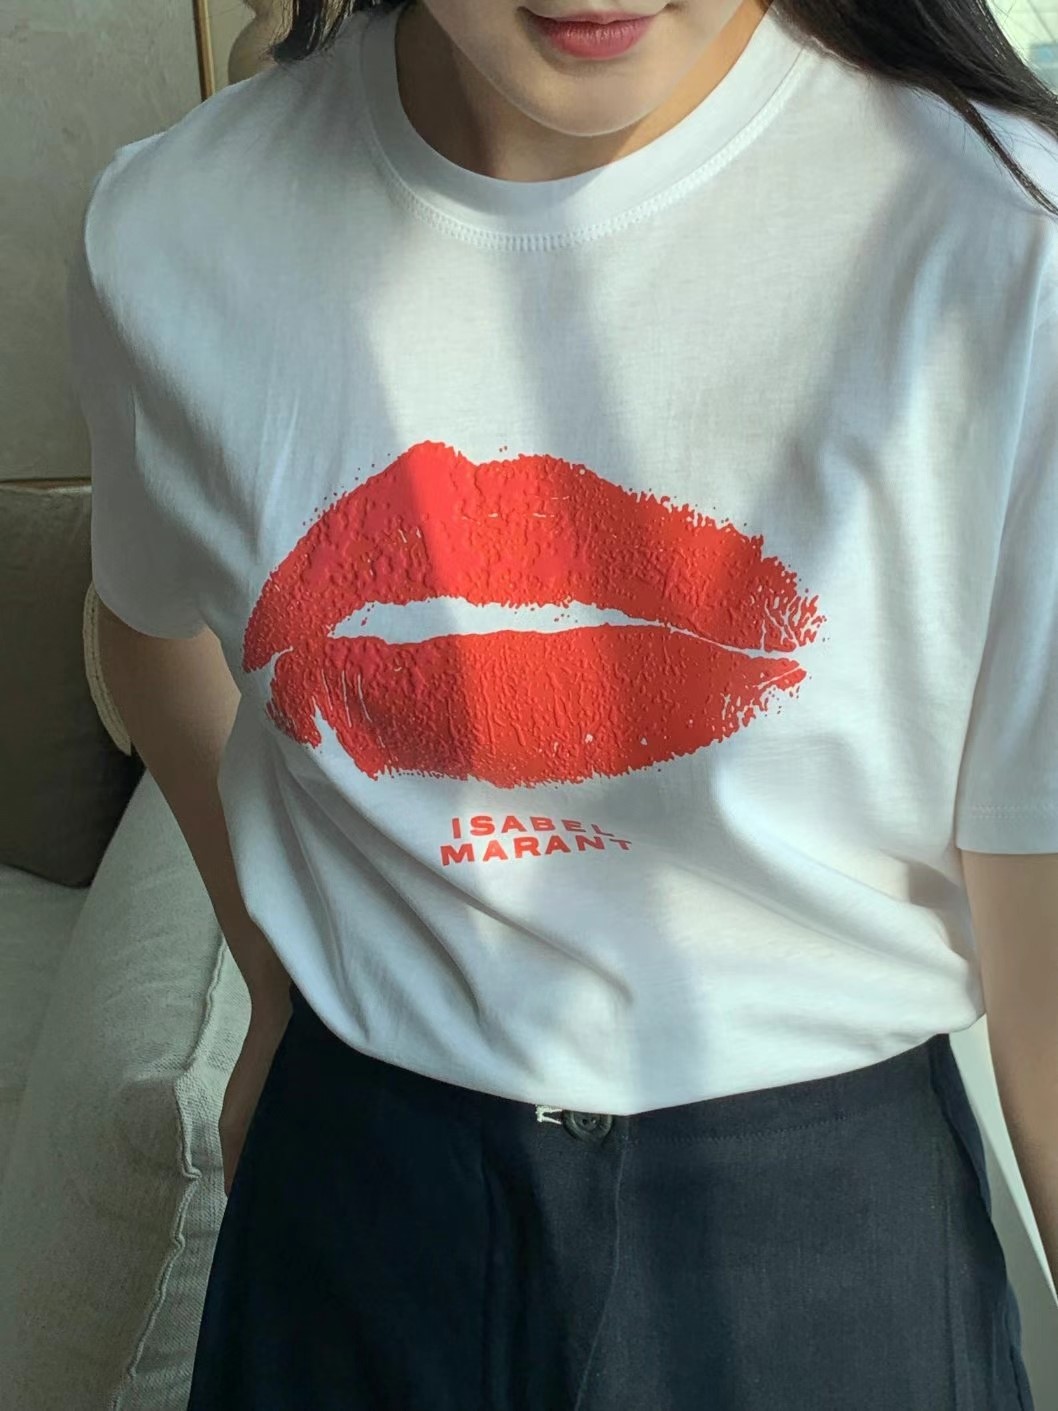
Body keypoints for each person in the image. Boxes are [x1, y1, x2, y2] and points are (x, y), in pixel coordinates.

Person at [65, 0, 1057, 1405]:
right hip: (348, 1213)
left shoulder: (1007, 242)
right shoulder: (170, 230)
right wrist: (273, 978)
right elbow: (150, 628)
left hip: (837, 1261)